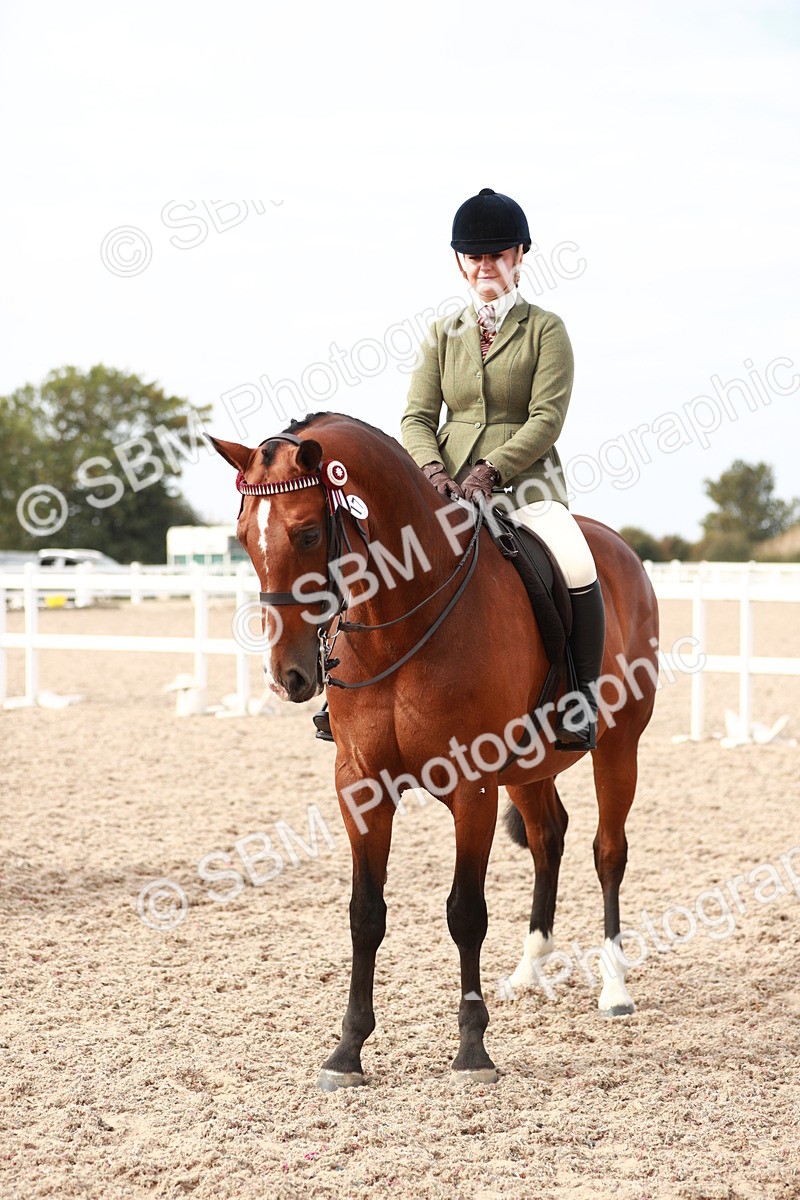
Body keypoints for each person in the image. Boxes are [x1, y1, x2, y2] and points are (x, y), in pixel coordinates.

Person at [400, 186, 605, 750]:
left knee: (576, 559)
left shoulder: (546, 329)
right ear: (460, 263)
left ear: (519, 257)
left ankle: (582, 697)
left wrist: (490, 469)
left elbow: (546, 419)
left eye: (496, 254)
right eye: (474, 256)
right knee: (374, 559)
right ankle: (346, 693)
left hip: (528, 484)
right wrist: (435, 473)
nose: (484, 265)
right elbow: (416, 417)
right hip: (443, 488)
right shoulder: (442, 334)